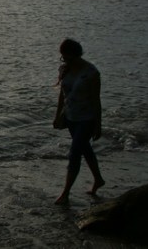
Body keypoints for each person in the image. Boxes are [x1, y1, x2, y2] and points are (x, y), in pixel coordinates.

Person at [53, 38, 105, 205]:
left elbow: (96, 101)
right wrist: (57, 115)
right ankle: (98, 179)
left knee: (75, 153)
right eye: (63, 58)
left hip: (87, 118)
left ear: (77, 55)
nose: (65, 61)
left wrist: (98, 124)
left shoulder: (91, 73)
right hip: (70, 117)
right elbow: (63, 94)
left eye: (68, 58)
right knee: (85, 148)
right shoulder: (65, 69)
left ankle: (65, 193)